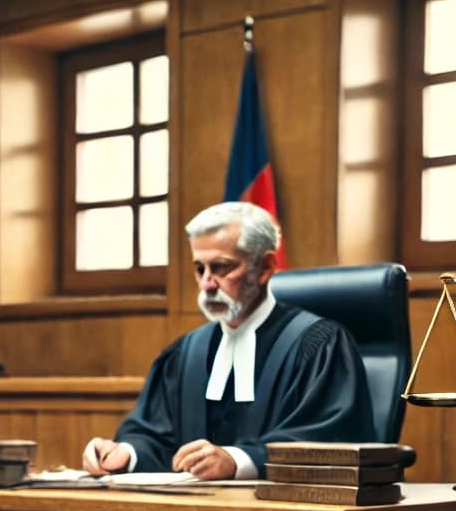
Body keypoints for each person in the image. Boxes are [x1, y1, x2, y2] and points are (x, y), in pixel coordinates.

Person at [84, 201, 374, 480]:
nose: (207, 284)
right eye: (200, 269)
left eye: (221, 267)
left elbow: (329, 444)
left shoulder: (318, 345)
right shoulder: (185, 354)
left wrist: (237, 461)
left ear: (265, 267)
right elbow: (156, 437)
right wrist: (126, 453)